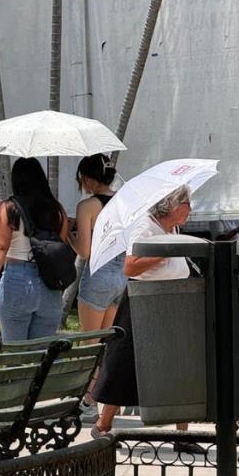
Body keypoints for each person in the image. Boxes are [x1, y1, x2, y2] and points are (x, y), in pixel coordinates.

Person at [90, 185, 203, 453]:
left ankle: (182, 434)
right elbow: (130, 266)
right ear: (173, 205)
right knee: (125, 365)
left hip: (172, 300)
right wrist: (164, 252)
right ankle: (103, 424)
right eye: (187, 203)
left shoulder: (172, 228)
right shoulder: (145, 226)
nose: (191, 209)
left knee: (179, 366)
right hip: (144, 303)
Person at [0, 158, 71, 341]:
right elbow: (59, 246)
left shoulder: (9, 208)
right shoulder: (57, 210)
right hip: (50, 283)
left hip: (17, 279)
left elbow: (0, 246)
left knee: (14, 352)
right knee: (40, 354)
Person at [70, 154, 128, 417]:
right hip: (120, 276)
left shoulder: (88, 206)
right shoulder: (124, 201)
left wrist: (66, 236)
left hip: (99, 275)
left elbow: (84, 250)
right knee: (105, 343)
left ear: (88, 178)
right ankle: (104, 398)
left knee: (89, 343)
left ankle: (88, 401)